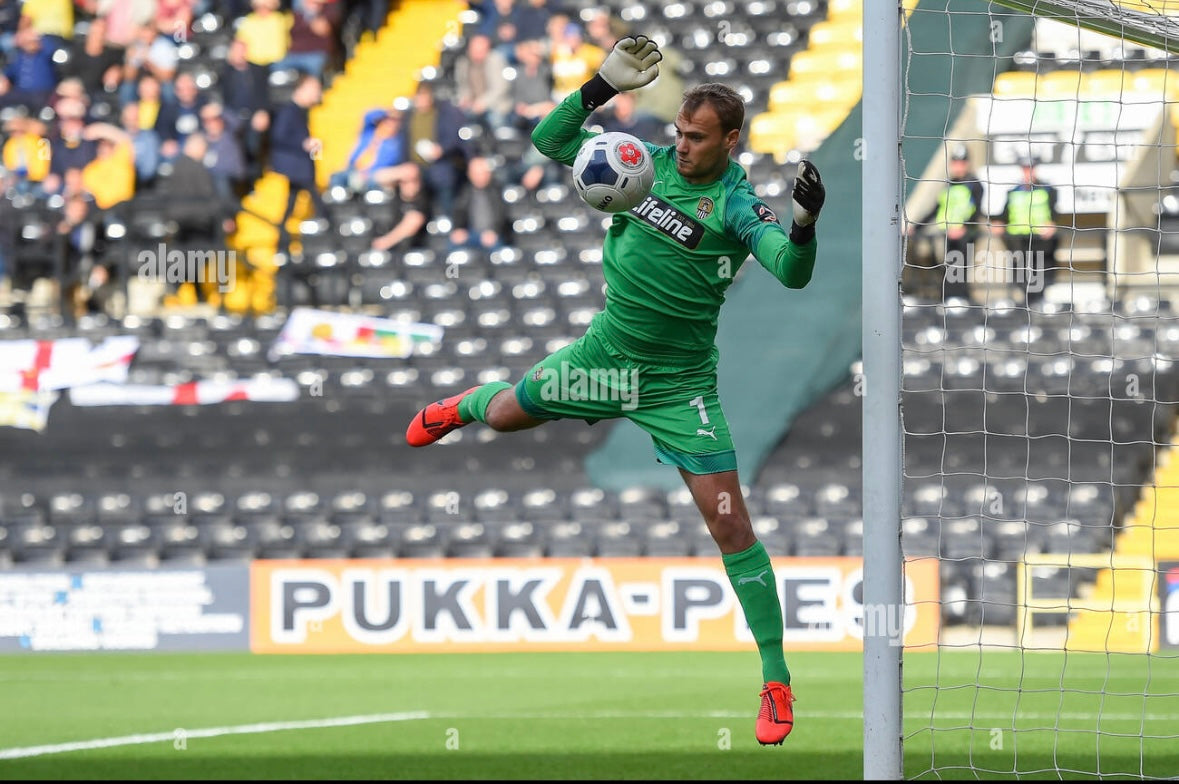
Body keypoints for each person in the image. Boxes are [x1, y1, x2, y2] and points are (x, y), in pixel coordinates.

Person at [403, 37, 824, 747]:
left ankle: (776, 682)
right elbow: (549, 139)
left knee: (730, 526)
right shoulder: (638, 164)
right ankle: (462, 406)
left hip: (678, 386)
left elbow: (791, 272)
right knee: (504, 415)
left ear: (730, 140)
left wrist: (806, 227)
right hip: (604, 361)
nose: (682, 147)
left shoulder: (735, 206)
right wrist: (598, 86)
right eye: (679, 134)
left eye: (696, 138)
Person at [908, 145, 984, 301]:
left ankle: (961, 303)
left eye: (962, 162)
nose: (958, 166)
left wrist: (964, 228)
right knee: (946, 272)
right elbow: (936, 210)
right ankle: (948, 301)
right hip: (947, 237)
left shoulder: (974, 184)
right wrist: (914, 227)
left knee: (959, 273)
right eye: (955, 162)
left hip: (965, 238)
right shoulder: (949, 185)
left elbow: (976, 211)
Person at [270, 73, 328, 256]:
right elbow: (279, 136)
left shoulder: (302, 111)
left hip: (301, 168)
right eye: (313, 89)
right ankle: (330, 234)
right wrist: (304, 142)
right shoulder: (290, 111)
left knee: (291, 206)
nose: (317, 94)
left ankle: (281, 244)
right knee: (318, 205)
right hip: (297, 169)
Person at [991, 153, 1059, 306]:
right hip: (1019, 244)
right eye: (1026, 169)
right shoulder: (1013, 192)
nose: (1029, 172)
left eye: (1031, 168)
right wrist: (998, 224)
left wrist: (1052, 224)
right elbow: (1004, 215)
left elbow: (1055, 214)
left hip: (1041, 244)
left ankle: (1037, 308)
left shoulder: (1048, 190)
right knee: (1022, 281)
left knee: (1040, 280)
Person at [370, 162, 430, 252]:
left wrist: (385, 242)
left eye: (414, 181)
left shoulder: (422, 200)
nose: (411, 186)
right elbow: (378, 176)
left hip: (411, 249)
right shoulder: (396, 193)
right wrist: (400, 172)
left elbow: (413, 222)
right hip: (391, 248)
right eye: (406, 181)